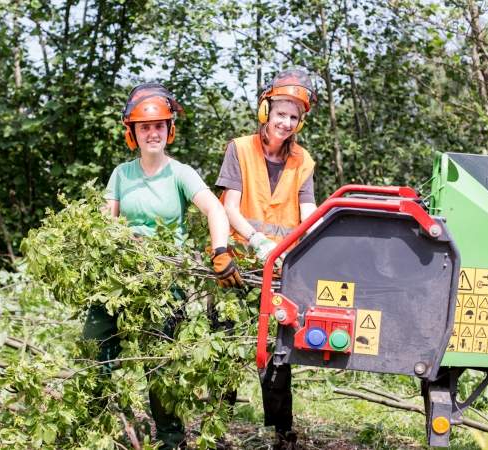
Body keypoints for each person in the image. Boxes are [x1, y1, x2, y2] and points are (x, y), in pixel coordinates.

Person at [84, 83, 243, 449]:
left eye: (159, 126)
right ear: (133, 133)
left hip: (164, 279)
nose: (152, 133)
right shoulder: (121, 174)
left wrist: (221, 249)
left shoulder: (180, 173)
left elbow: (215, 208)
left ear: (169, 130)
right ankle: (97, 428)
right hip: (120, 275)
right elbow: (106, 222)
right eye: (144, 127)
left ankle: (171, 439)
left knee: (160, 363)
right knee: (95, 345)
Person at [216, 69, 318, 449]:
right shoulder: (239, 149)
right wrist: (256, 239)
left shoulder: (302, 161)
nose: (286, 123)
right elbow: (228, 205)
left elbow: (308, 210)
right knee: (224, 339)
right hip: (240, 262)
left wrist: (308, 239)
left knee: (278, 349)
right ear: (265, 110)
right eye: (281, 114)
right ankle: (217, 422)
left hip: (281, 269)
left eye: (293, 117)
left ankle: (281, 430)